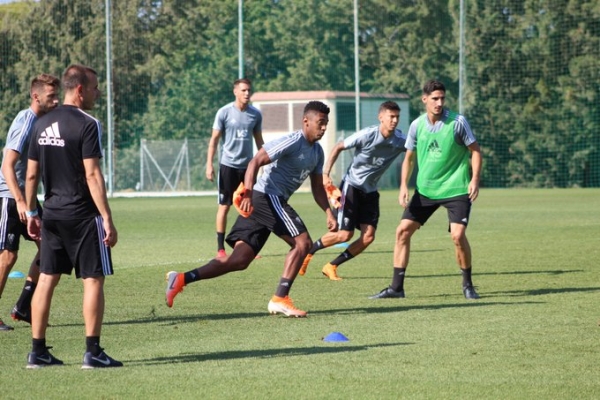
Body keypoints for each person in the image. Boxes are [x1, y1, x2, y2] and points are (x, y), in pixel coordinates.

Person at [167, 101, 337, 317]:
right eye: (320, 123)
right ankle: (280, 298)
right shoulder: (292, 141)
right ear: (306, 121)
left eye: (326, 124)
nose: (323, 128)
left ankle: (181, 279)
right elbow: (255, 161)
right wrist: (247, 192)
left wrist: (328, 211)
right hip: (266, 196)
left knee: (239, 260)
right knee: (302, 243)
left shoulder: (317, 153)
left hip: (266, 202)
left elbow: (316, 187)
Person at [24, 64, 122, 368]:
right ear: (79, 90)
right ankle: (92, 352)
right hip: (82, 215)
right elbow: (93, 174)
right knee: (93, 280)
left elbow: (30, 175)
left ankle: (37, 352)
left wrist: (31, 212)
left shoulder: (40, 123)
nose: (97, 93)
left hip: (51, 213)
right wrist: (107, 216)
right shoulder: (87, 123)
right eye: (94, 87)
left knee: (47, 279)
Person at [370, 79, 482, 300]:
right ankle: (396, 288)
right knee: (402, 231)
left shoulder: (458, 122)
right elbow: (409, 159)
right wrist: (403, 185)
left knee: (458, 236)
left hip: (456, 188)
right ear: (424, 100)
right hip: (426, 191)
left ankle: (468, 285)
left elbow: (475, 151)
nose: (439, 103)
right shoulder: (416, 125)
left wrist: (474, 179)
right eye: (434, 99)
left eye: (442, 98)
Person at [299, 101, 406, 281]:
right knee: (344, 234)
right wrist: (325, 174)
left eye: (397, 117)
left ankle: (331, 266)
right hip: (351, 187)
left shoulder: (400, 140)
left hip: (371, 192)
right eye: (391, 117)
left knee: (368, 237)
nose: (394, 121)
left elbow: (417, 149)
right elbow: (338, 146)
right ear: (381, 117)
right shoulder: (368, 135)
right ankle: (309, 252)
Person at [0, 74, 60, 332]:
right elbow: (7, 166)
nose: (56, 101)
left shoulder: (42, 123)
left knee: (50, 249)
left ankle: (23, 306)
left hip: (29, 200)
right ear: (36, 97)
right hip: (10, 197)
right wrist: (22, 202)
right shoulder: (26, 122)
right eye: (51, 97)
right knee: (8, 256)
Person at [206, 78, 264, 258]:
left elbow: (259, 141)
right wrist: (209, 164)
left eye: (249, 90)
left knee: (249, 205)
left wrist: (263, 163)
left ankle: (247, 246)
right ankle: (220, 248)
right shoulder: (224, 112)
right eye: (244, 90)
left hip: (247, 167)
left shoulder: (255, 114)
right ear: (235, 92)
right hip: (228, 166)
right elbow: (214, 140)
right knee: (224, 206)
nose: (247, 94)